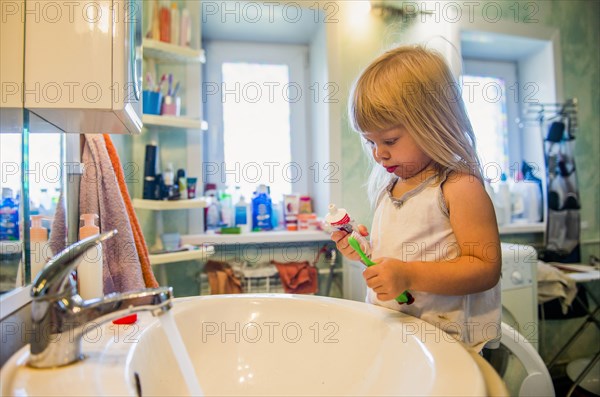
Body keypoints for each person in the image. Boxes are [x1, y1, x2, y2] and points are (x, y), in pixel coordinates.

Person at [332, 46, 501, 352]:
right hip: (398, 337)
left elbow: (485, 268)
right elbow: (396, 256)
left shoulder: (458, 186)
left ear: (432, 123)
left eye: (390, 140)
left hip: (448, 347)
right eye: (370, 141)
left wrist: (408, 275)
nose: (378, 153)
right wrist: (363, 250)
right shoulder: (389, 188)